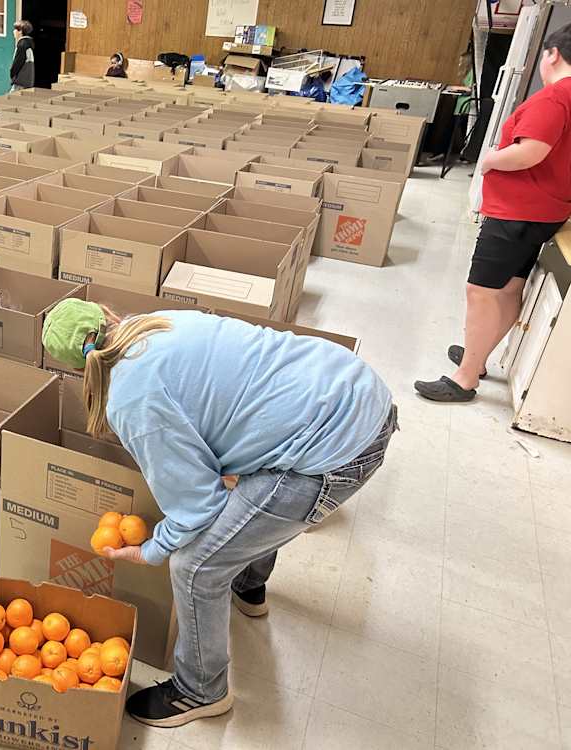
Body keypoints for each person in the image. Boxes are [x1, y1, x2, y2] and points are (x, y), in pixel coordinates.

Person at [41, 301, 397, 728]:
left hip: (332, 450)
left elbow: (197, 506)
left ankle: (200, 691)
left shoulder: (130, 398)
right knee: (249, 496)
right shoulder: (162, 321)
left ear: (77, 371)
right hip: (351, 387)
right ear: (108, 314)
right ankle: (250, 587)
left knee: (195, 568)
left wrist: (153, 549)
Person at [416, 23, 571, 402]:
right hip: (546, 209)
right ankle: (478, 355)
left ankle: (465, 377)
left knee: (481, 291)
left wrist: (489, 161)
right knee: (509, 287)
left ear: (551, 54)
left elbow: (530, 151)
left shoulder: (555, 97)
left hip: (518, 211)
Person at [9, 18, 32, 90]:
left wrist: (12, 74)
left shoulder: (22, 45)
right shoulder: (28, 44)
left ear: (20, 31)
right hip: (27, 80)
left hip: (20, 81)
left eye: (15, 29)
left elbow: (17, 63)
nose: (13, 31)